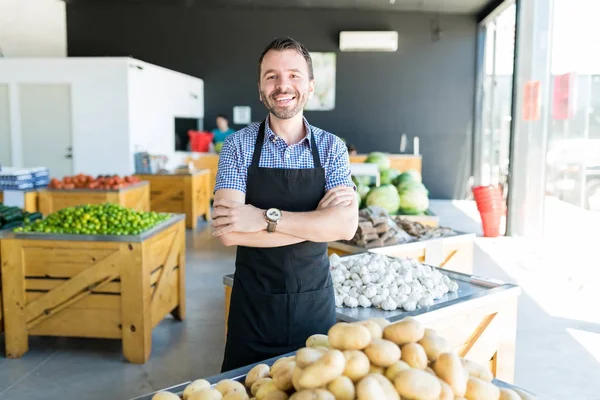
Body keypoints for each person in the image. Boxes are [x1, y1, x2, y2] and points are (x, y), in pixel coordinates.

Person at [212, 36, 359, 372]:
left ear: (309, 85)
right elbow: (228, 233)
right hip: (253, 311)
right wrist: (317, 224)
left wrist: (264, 218)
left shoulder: (332, 148)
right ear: (260, 87)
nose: (283, 85)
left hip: (315, 305)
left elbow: (345, 227)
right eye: (272, 76)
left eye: (293, 75)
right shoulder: (237, 146)